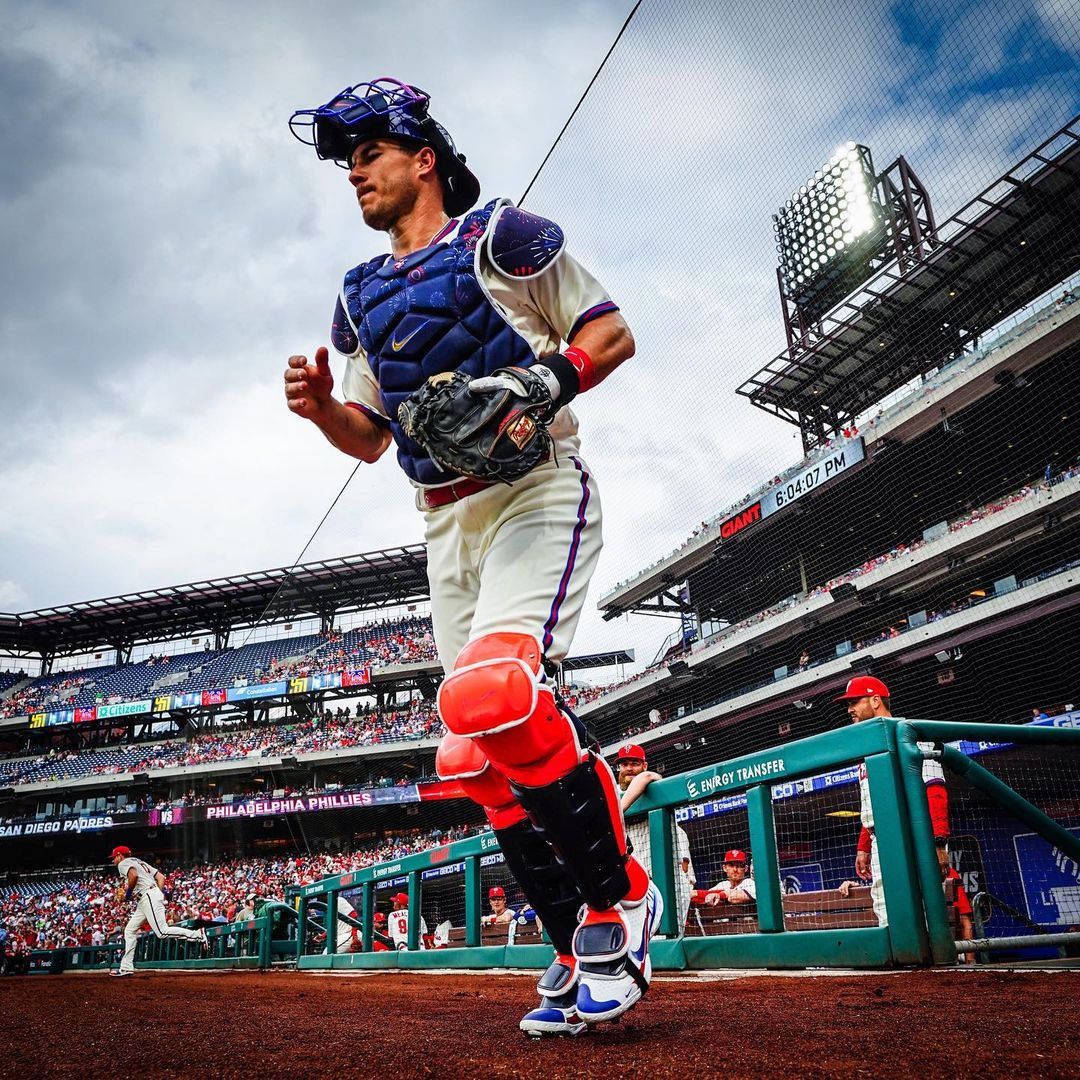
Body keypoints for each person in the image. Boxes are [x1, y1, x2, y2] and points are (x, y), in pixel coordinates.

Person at [287, 78, 653, 1037]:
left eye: (369, 150)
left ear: (423, 157)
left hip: (535, 486)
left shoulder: (503, 238)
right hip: (443, 517)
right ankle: (574, 940)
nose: (355, 169)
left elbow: (609, 332)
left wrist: (545, 374)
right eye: (347, 158)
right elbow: (369, 437)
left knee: (496, 695)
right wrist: (322, 404)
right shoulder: (358, 294)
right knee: (468, 751)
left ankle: (625, 903)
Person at [835, 676, 949, 927]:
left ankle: (934, 963)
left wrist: (938, 843)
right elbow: (871, 805)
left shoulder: (910, 736)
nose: (849, 709)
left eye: (855, 702)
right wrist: (863, 845)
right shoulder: (866, 751)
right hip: (879, 839)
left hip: (914, 834)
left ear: (876, 700)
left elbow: (935, 791)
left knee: (923, 901)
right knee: (883, 904)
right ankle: (903, 964)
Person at [615, 743, 696, 933]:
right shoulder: (611, 792)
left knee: (667, 935)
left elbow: (648, 776)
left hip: (664, 881)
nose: (629, 768)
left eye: (634, 763)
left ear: (644, 764)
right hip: (632, 882)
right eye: (624, 764)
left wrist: (616, 812)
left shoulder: (654, 785)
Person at [109, 845, 207, 977]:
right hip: (148, 897)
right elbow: (161, 877)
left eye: (114, 857)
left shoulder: (123, 863)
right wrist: (157, 893)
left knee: (162, 931)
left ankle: (198, 935)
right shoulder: (139, 861)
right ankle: (126, 968)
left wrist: (128, 895)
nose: (113, 860)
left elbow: (133, 876)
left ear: (120, 855)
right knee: (129, 930)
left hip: (148, 896)